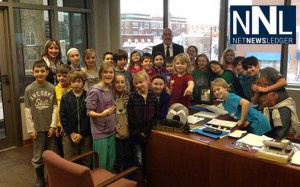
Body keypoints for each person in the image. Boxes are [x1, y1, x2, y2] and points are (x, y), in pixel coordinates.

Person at [242, 56, 300, 139]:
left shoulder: (268, 70)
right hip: (267, 111)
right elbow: (254, 101)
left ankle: (280, 151)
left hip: (281, 108)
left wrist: (265, 89)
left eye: (250, 67)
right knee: (268, 136)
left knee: (281, 136)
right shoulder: (251, 81)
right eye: (246, 69)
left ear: (257, 65)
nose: (249, 70)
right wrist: (257, 92)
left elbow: (283, 82)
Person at [24, 59, 58, 187]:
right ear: (33, 73)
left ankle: (52, 177)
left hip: (50, 128)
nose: (39, 73)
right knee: (37, 154)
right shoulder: (29, 89)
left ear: (47, 72)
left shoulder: (52, 88)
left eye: (42, 71)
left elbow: (55, 108)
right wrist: (31, 129)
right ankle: (39, 178)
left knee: (53, 154)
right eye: (37, 71)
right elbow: (27, 111)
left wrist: (53, 125)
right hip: (37, 129)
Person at [85, 63, 116, 171]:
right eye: (105, 72)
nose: (108, 75)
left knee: (110, 161)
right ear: (100, 74)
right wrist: (102, 114)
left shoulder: (111, 89)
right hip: (100, 134)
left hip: (111, 131)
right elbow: (89, 112)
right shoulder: (94, 91)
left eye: (111, 72)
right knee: (101, 165)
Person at [127, 71, 159, 176]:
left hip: (149, 133)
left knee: (149, 159)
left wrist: (146, 132)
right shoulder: (132, 97)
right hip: (136, 135)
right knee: (138, 159)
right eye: (136, 83)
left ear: (147, 81)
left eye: (141, 82)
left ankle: (146, 179)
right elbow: (131, 118)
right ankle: (137, 180)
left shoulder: (153, 96)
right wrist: (138, 133)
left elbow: (155, 116)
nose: (139, 85)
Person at [60, 70, 92, 167]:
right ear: (70, 82)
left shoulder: (88, 96)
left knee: (87, 159)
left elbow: (89, 116)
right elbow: (63, 116)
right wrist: (71, 133)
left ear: (83, 82)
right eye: (73, 81)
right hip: (70, 134)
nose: (76, 84)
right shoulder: (65, 98)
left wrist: (82, 133)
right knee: (70, 161)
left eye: (79, 81)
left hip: (85, 134)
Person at [113, 73, 131, 173]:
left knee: (128, 155)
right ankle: (118, 175)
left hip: (128, 131)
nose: (119, 84)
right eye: (117, 82)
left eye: (122, 82)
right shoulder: (110, 95)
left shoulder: (130, 96)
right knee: (119, 155)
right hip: (115, 133)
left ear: (125, 83)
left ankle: (126, 175)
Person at [55, 64, 72, 157]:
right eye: (59, 76)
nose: (61, 78)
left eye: (64, 76)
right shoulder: (56, 89)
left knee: (69, 150)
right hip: (58, 124)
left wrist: (64, 125)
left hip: (68, 124)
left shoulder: (73, 89)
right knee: (60, 149)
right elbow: (55, 108)